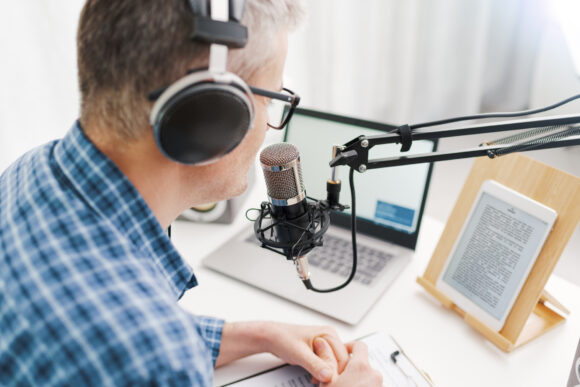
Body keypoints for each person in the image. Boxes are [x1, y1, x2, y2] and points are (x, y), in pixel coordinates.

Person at [0, 0, 382, 386]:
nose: (271, 126)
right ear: (212, 115)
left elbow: (113, 335)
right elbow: (145, 352)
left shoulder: (26, 171)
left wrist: (259, 335)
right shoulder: (161, 359)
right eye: (270, 99)